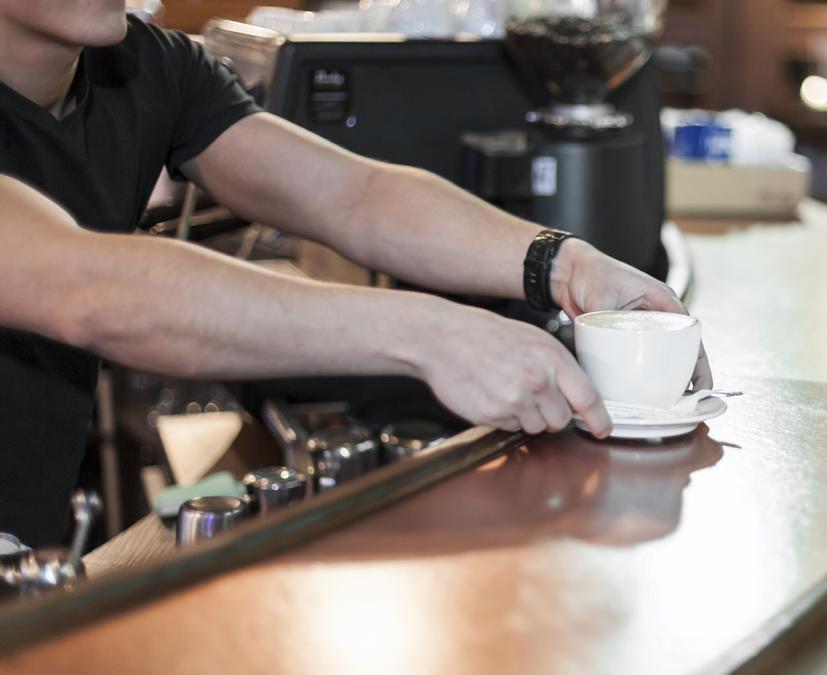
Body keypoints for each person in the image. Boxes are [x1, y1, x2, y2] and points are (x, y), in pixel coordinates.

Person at [0, 1, 711, 546]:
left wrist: (561, 261)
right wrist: (431, 336)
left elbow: (350, 193)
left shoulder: (144, 64)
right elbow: (88, 291)